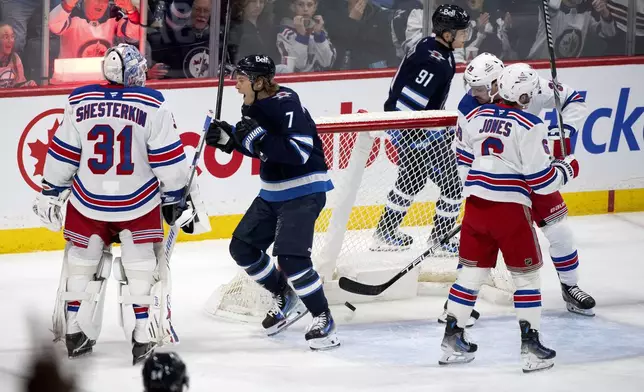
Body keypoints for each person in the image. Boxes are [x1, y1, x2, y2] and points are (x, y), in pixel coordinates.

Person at [32, 44, 209, 365]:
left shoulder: (79, 100)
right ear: (133, 72)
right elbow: (168, 160)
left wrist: (51, 191)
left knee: (81, 264)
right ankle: (142, 332)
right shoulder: (153, 104)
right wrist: (174, 197)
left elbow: (63, 154)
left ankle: (75, 329)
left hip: (88, 201)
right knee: (141, 266)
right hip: (137, 203)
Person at [439, 63, 580, 373]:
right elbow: (541, 181)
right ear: (526, 95)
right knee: (526, 278)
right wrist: (567, 170)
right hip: (510, 210)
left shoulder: (475, 116)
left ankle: (452, 338)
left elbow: (462, 153)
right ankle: (531, 348)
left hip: (476, 206)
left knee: (470, 275)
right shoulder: (530, 124)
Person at [205, 54, 339, 350]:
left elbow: (299, 152)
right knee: (242, 248)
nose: (236, 85)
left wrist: (257, 139)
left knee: (291, 259)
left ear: (259, 82)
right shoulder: (254, 104)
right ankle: (283, 293)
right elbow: (263, 149)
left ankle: (323, 316)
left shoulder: (286, 104)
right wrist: (232, 141)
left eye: (241, 79)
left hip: (304, 189)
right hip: (274, 191)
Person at [371, 4, 470, 252]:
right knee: (450, 183)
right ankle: (439, 240)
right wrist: (418, 138)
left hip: (415, 126)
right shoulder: (433, 61)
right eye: (461, 31)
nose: (465, 35)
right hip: (414, 129)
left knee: (412, 181)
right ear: (447, 34)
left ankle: (386, 232)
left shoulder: (431, 45)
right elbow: (409, 103)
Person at [49, 0, 142, 59]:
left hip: (102, 77)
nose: (101, 4)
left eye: (105, 0)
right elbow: (53, 26)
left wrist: (131, 10)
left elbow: (134, 35)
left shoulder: (114, 13)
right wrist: (67, 5)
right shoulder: (71, 12)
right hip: (70, 78)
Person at [276, 0, 336, 73]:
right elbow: (298, 65)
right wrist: (301, 36)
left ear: (315, 7)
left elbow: (327, 63)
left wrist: (319, 35)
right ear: (293, 7)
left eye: (310, 5)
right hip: (294, 81)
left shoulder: (319, 30)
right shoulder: (285, 32)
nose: (305, 9)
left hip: (318, 80)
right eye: (300, 5)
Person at [0, 23, 37, 88]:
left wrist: (27, 85)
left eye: (12, 36)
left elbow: (18, 86)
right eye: (6, 37)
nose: (10, 40)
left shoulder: (15, 58)